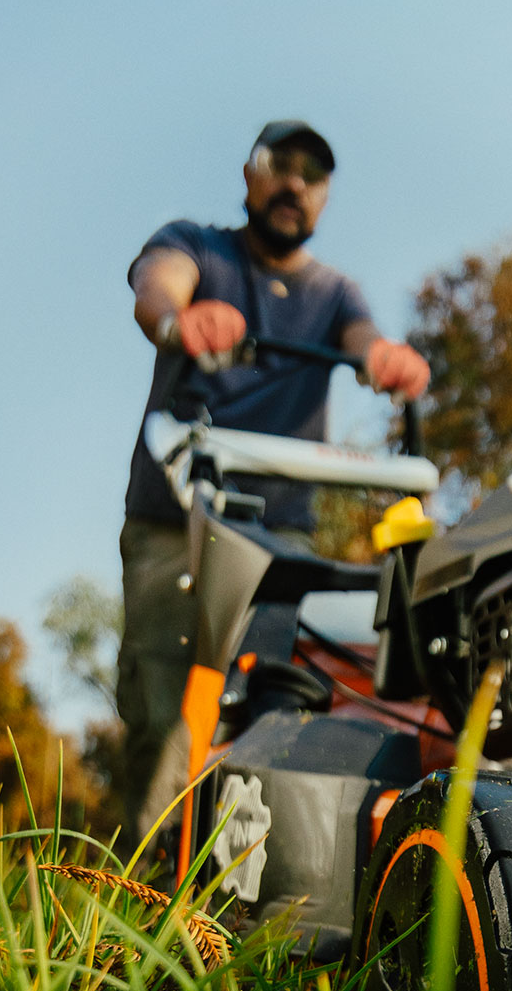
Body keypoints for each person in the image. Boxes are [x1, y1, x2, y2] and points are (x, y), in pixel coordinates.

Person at [115, 120, 431, 825]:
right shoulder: (198, 247)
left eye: (312, 176)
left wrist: (384, 359)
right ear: (251, 176)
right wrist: (180, 319)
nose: (295, 183)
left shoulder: (336, 293)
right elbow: (156, 286)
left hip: (284, 536)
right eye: (280, 165)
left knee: (280, 704)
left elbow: (364, 341)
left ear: (324, 198)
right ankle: (146, 880)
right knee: (164, 708)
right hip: (178, 520)